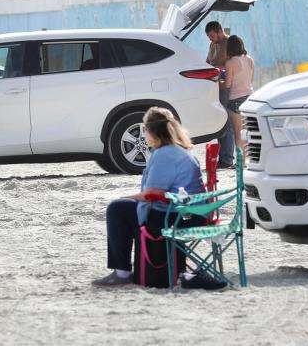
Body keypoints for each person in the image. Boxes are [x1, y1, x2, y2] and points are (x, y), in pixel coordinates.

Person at [93, 107, 222, 289]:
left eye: (145, 129)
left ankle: (122, 272)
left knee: (117, 209)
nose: (144, 133)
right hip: (191, 212)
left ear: (151, 131)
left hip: (179, 216)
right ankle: (130, 270)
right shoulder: (181, 150)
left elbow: (153, 194)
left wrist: (124, 197)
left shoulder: (165, 154)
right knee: (127, 208)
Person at [205, 21, 234, 169]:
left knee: (226, 122)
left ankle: (227, 158)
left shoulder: (230, 43)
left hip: (227, 87)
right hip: (215, 87)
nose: (210, 39)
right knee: (219, 121)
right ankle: (223, 156)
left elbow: (234, 64)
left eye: (211, 36)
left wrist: (217, 69)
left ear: (219, 31)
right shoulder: (212, 45)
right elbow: (208, 61)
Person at [224, 35, 255, 149]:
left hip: (235, 99)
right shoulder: (250, 59)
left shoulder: (230, 62)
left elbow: (228, 84)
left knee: (238, 131)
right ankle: (246, 160)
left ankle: (240, 161)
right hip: (250, 98)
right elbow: (251, 80)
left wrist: (220, 80)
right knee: (246, 132)